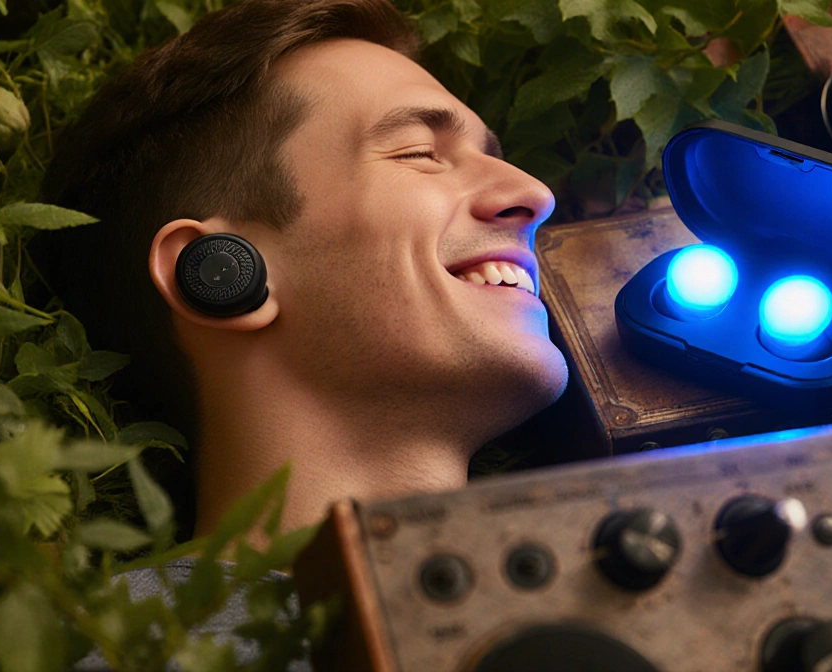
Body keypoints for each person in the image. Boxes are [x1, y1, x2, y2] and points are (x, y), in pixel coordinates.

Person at [37, 0, 569, 664]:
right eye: (419, 153)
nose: (536, 194)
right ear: (221, 272)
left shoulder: (632, 588)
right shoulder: (130, 650)